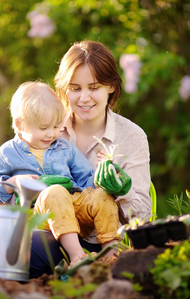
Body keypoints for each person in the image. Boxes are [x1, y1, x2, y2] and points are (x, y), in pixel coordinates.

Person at [30, 40, 151, 278]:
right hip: (53, 237)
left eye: (93, 87)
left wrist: (121, 192)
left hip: (104, 243)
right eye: (75, 88)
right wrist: (32, 188)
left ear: (111, 87)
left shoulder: (132, 137)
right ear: (64, 90)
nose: (84, 98)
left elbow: (143, 215)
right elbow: (15, 192)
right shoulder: (48, 129)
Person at [0, 81, 123, 266]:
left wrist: (103, 174)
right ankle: (77, 255)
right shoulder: (7, 153)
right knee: (54, 192)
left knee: (102, 195)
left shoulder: (65, 148)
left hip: (72, 208)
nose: (51, 134)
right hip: (37, 216)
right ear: (20, 124)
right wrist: (14, 182)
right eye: (43, 128)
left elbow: (86, 179)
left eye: (56, 127)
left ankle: (111, 253)